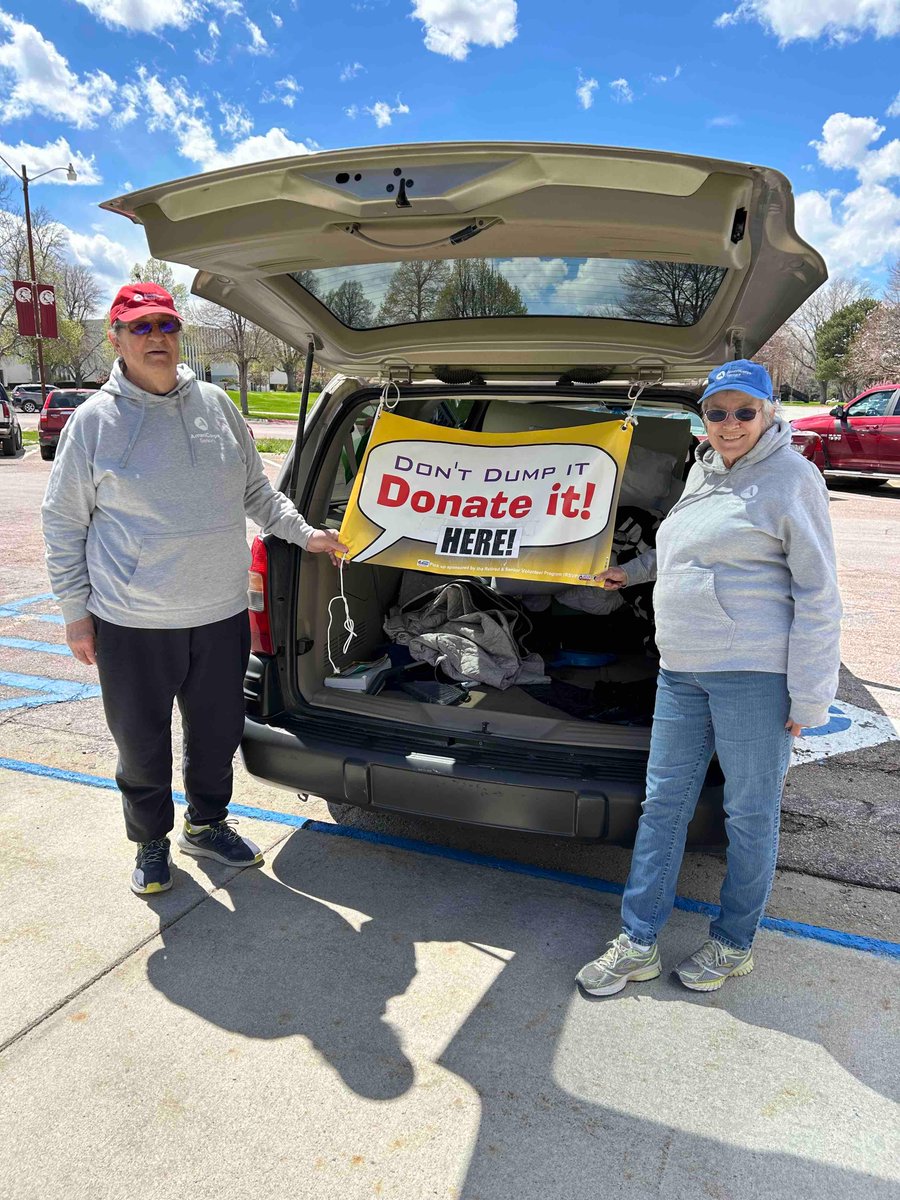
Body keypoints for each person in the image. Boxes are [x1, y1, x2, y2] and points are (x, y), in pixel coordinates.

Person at [42, 282, 346, 896]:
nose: (157, 338)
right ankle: (150, 842)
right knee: (141, 745)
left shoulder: (215, 405)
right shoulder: (94, 423)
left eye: (166, 326)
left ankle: (205, 824)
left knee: (216, 734)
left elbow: (256, 492)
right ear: (117, 339)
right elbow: (62, 521)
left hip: (220, 612)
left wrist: (306, 533)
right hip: (131, 620)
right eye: (142, 327)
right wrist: (77, 615)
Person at [576, 359, 841, 995]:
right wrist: (631, 573)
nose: (728, 425)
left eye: (743, 412)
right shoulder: (702, 470)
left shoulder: (791, 479)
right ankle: (638, 941)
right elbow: (682, 548)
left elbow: (819, 594)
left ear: (770, 412)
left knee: (749, 813)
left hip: (752, 674)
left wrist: (809, 695)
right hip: (682, 669)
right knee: (662, 805)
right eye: (716, 412)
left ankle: (733, 943)